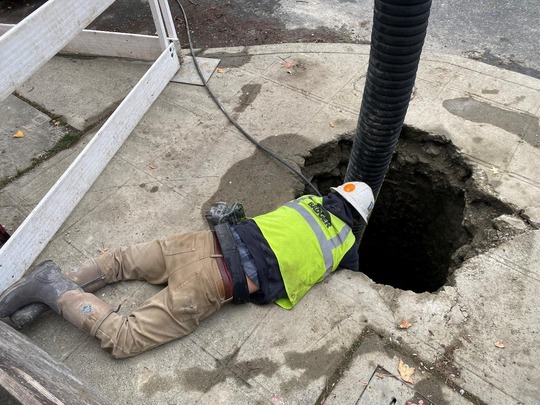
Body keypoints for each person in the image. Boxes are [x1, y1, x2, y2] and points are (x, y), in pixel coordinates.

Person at [0, 182, 374, 359]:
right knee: (125, 339)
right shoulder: (345, 244)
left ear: (333, 195)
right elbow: (350, 271)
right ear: (357, 220)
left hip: (199, 242)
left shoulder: (306, 201)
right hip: (214, 283)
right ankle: (52, 288)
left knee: (121, 261)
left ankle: (45, 293)